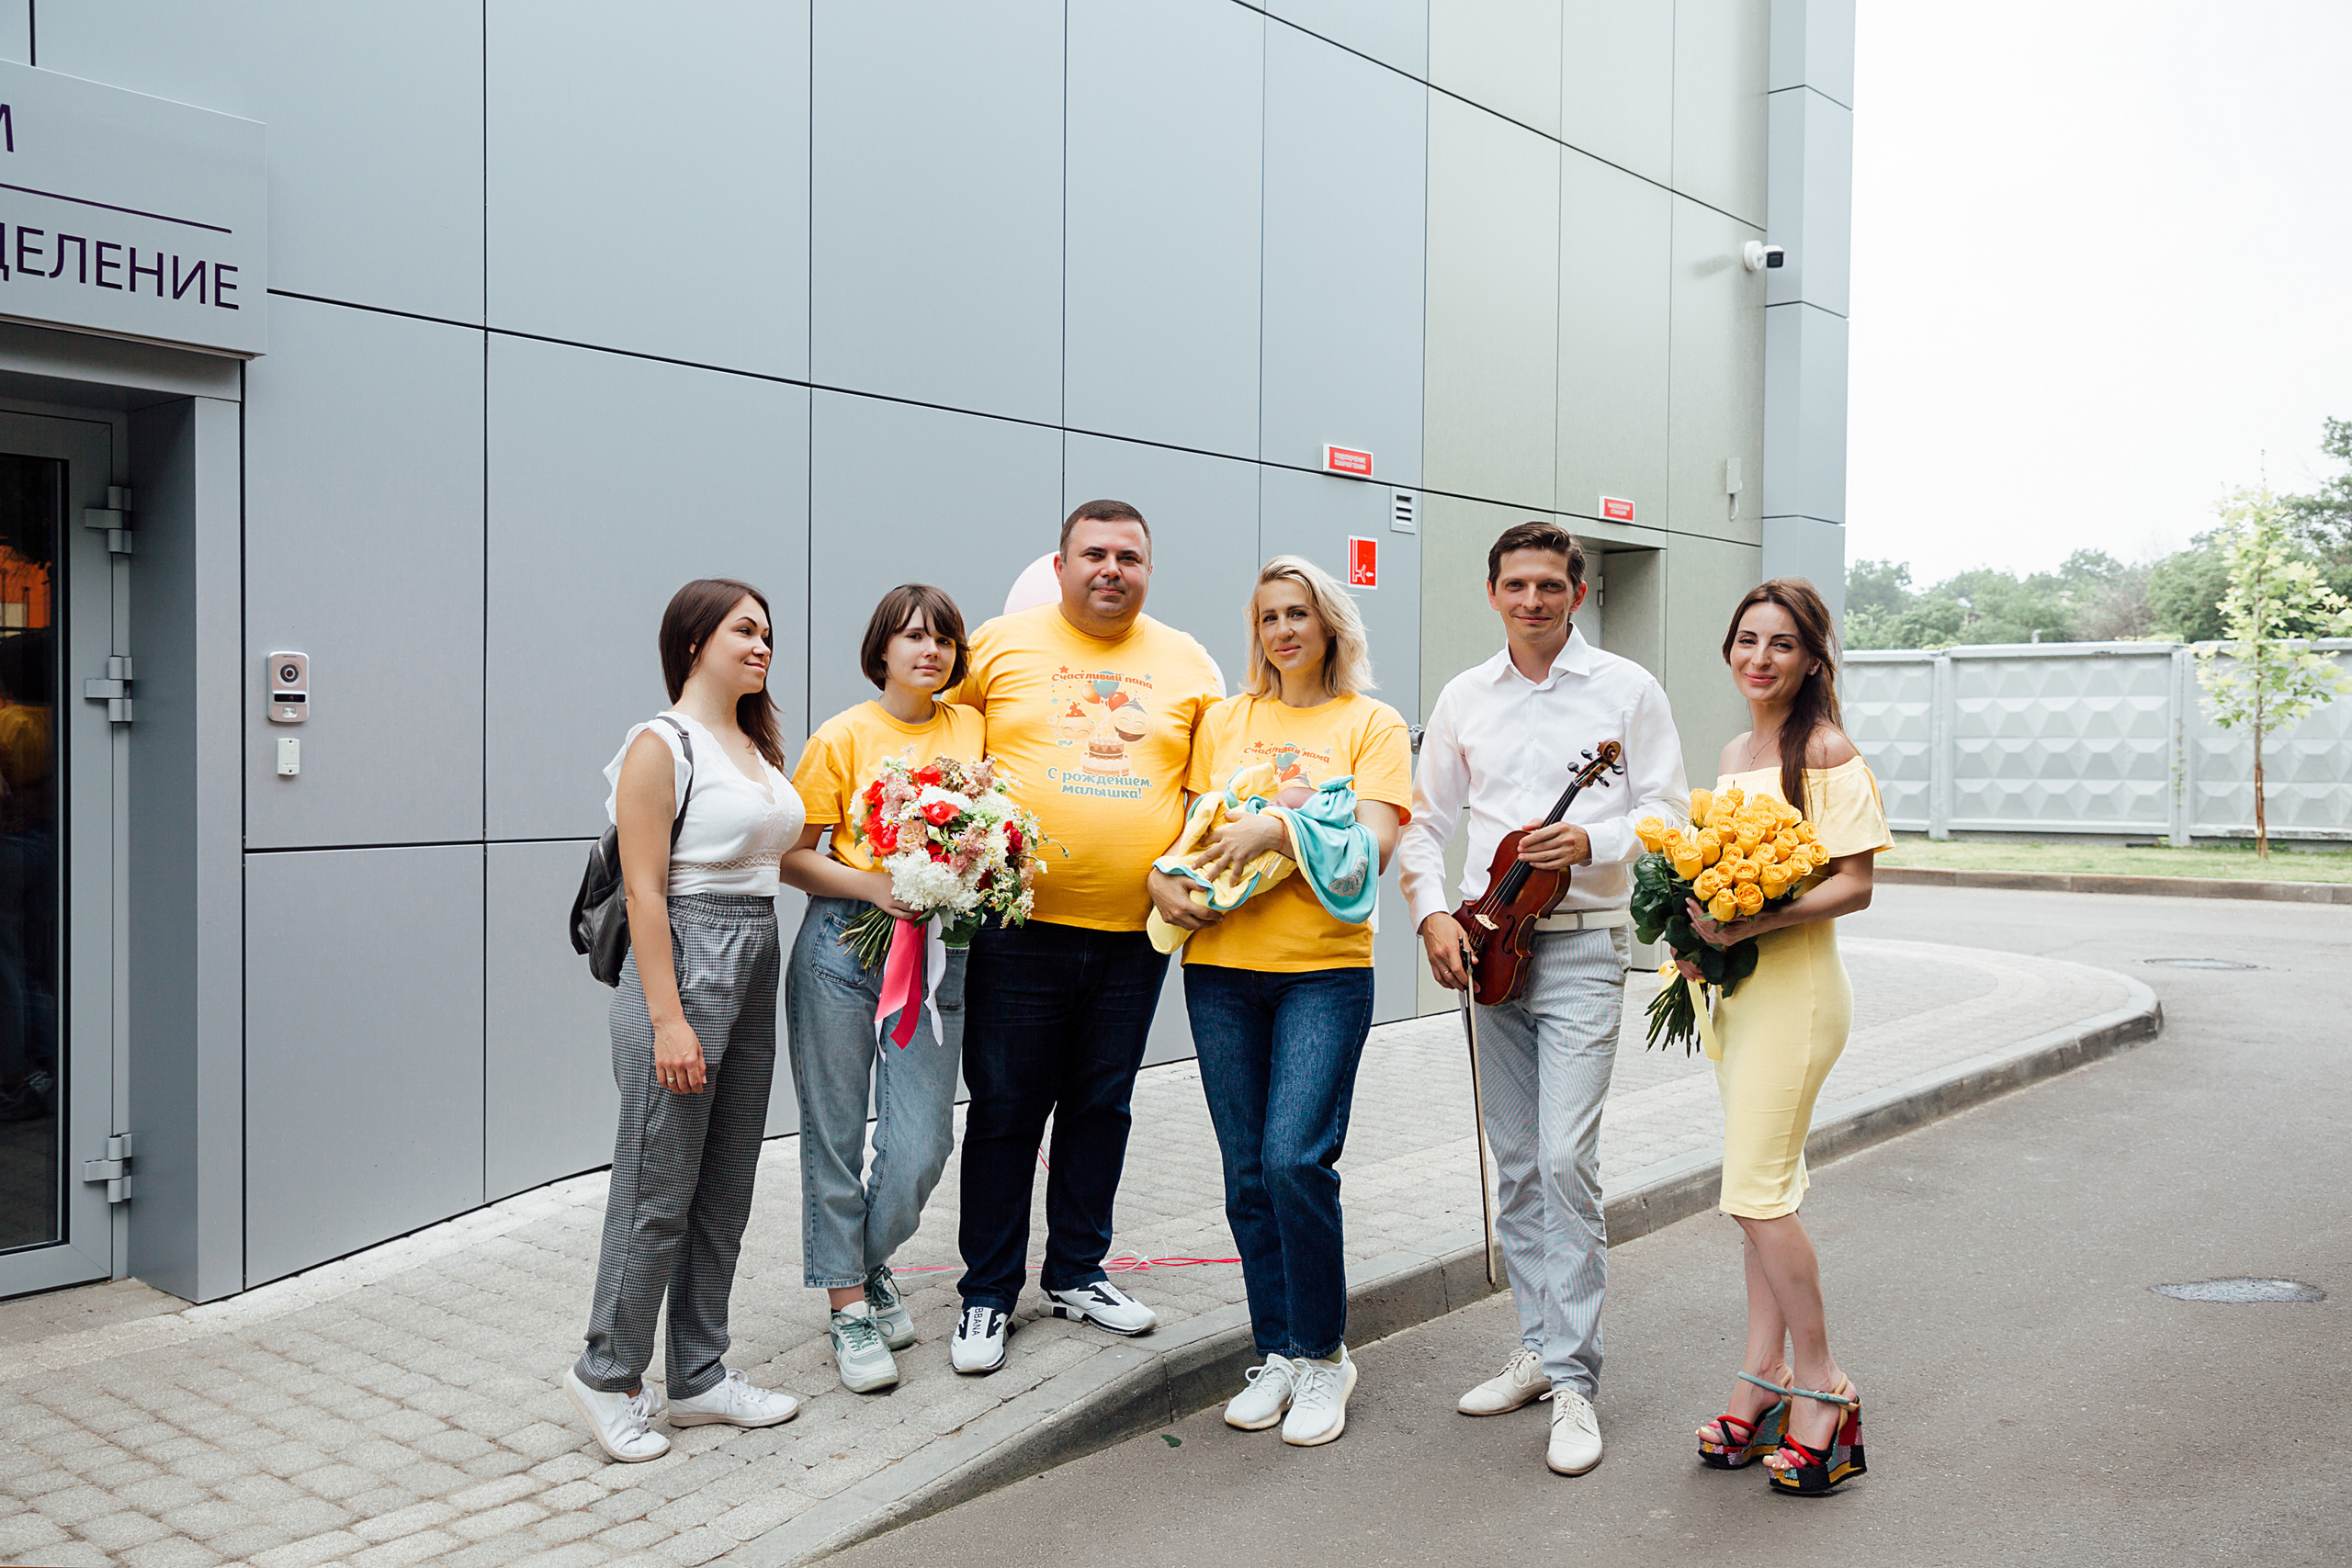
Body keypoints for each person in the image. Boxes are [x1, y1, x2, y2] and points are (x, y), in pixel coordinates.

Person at [1396, 521, 1688, 1478]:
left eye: (1550, 585)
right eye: (1515, 585)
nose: (1533, 600)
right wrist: (1433, 915)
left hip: (1582, 950)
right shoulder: (1463, 697)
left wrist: (1596, 844)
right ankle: (1537, 1344)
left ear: (1579, 593)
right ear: (1492, 594)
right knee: (1516, 1165)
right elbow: (1424, 821)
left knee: (1564, 1160)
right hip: (1487, 948)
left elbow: (1669, 812)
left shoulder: (1625, 691)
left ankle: (1575, 1384)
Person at [944, 499, 1223, 1374]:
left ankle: (1077, 1271)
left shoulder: (1188, 663)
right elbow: (942, 755)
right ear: (1060, 565)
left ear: (1149, 568)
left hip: (1135, 938)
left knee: (1101, 1106)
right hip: (1017, 931)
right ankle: (987, 1294)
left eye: (1129, 556)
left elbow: (1211, 793)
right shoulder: (997, 645)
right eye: (1094, 553)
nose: (1112, 568)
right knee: (1005, 1110)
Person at [1159, 556, 1412, 1448]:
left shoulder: (1371, 725)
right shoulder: (1226, 721)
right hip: (1220, 969)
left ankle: (1322, 1355)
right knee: (1245, 1172)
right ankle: (1274, 1349)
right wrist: (1161, 885)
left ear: (1329, 625)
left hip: (1322, 972)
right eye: (1268, 617)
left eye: (1298, 613)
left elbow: (1374, 846)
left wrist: (1283, 825)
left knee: (1295, 1160)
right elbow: (1187, 835)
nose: (1283, 631)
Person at [564, 579, 805, 1463]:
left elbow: (784, 858)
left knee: (724, 1187)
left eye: (768, 632)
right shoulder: (659, 743)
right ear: (695, 639)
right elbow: (644, 888)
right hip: (685, 965)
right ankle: (606, 1374)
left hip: (754, 956)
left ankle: (698, 1376)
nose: (763, 643)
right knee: (655, 1191)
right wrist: (667, 1018)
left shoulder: (751, 743)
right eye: (745, 628)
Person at [1684, 579, 1887, 1496]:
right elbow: (1719, 871)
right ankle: (1761, 1379)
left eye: (1780, 645)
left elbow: (1854, 883)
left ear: (1811, 659)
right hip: (1733, 993)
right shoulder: (1735, 751)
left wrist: (1744, 927)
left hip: (1796, 992)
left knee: (1756, 1195)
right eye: (1745, 640)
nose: (1758, 658)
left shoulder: (1825, 749)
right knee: (1753, 1192)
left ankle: (1822, 1388)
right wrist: (1697, 940)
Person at [782, 585, 986, 1393]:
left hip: (937, 948)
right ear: (882, 649)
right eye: (911, 637)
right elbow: (793, 856)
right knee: (833, 1131)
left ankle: (863, 1262)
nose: (928, 651)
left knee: (922, 1141)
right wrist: (874, 886)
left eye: (942, 639)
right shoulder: (841, 736)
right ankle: (847, 1305)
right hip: (844, 941)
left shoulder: (968, 726)